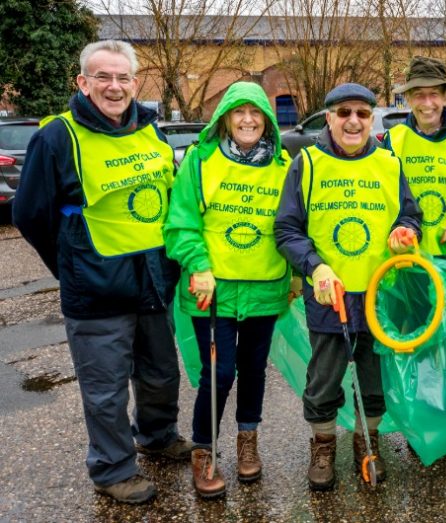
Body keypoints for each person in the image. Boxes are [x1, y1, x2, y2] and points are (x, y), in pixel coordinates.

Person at [12, 40, 190, 504]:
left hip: (153, 280)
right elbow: (30, 214)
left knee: (161, 374)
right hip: (94, 289)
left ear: (135, 82)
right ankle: (112, 469)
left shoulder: (152, 131)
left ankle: (157, 435)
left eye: (123, 77)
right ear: (83, 83)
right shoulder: (58, 137)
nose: (114, 87)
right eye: (103, 77)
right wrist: (70, 265)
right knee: (105, 389)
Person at [274, 83, 422, 491]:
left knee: (374, 380)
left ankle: (367, 439)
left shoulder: (390, 164)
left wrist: (405, 232)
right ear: (328, 118)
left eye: (361, 113)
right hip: (330, 293)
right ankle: (323, 445)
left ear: (371, 118)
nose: (353, 121)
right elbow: (286, 229)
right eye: (344, 113)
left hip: (379, 292)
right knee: (324, 378)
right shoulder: (307, 163)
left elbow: (411, 216)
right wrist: (314, 266)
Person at [163, 82, 292, 498]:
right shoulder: (200, 161)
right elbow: (181, 222)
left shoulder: (284, 165)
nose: (248, 120)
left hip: (264, 289)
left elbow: (294, 225)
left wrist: (297, 277)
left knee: (254, 371)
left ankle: (247, 440)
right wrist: (198, 264)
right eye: (238, 113)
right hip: (212, 292)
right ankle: (205, 450)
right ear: (224, 118)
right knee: (218, 373)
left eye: (255, 113)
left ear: (267, 120)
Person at [383, 55, 446, 255]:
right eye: (419, 94)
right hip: (408, 259)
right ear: (408, 99)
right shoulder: (393, 141)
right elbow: (384, 200)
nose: (427, 102)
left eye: (434, 94)